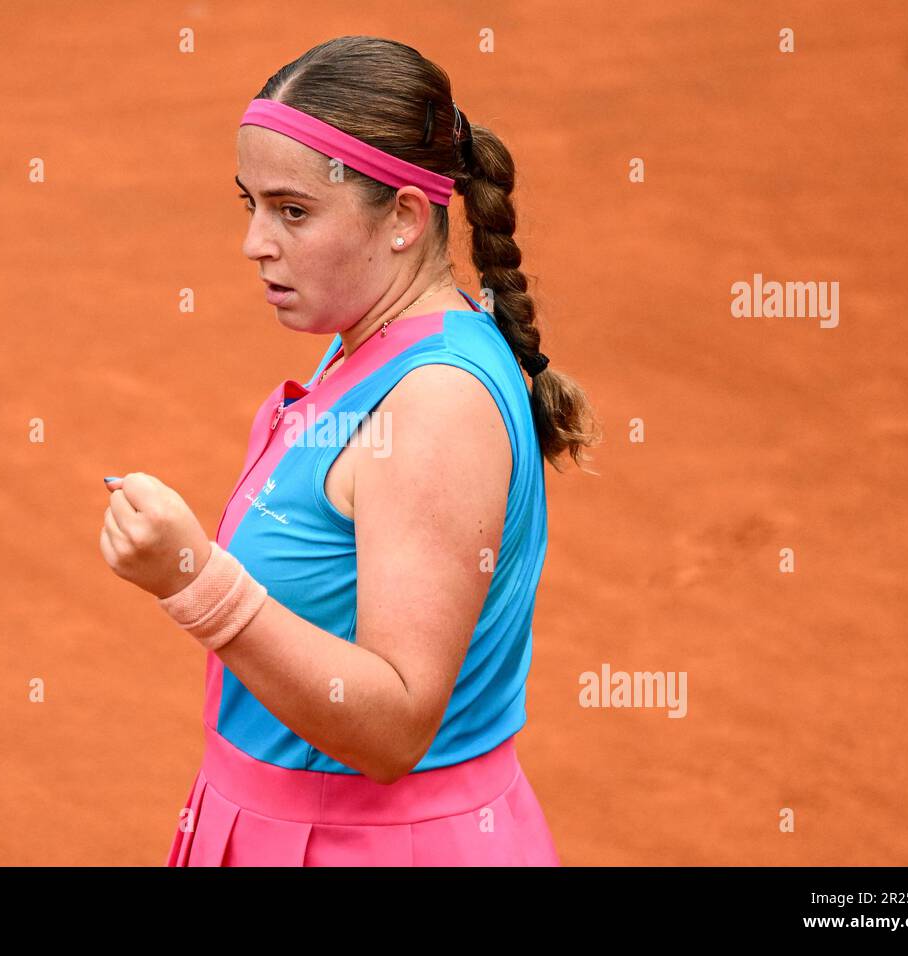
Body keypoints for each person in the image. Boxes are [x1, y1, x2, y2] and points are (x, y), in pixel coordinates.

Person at [99, 35, 601, 866]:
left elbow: (395, 723)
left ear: (403, 217)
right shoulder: (372, 340)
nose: (256, 242)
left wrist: (194, 581)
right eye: (249, 204)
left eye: (293, 211)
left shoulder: (436, 404)